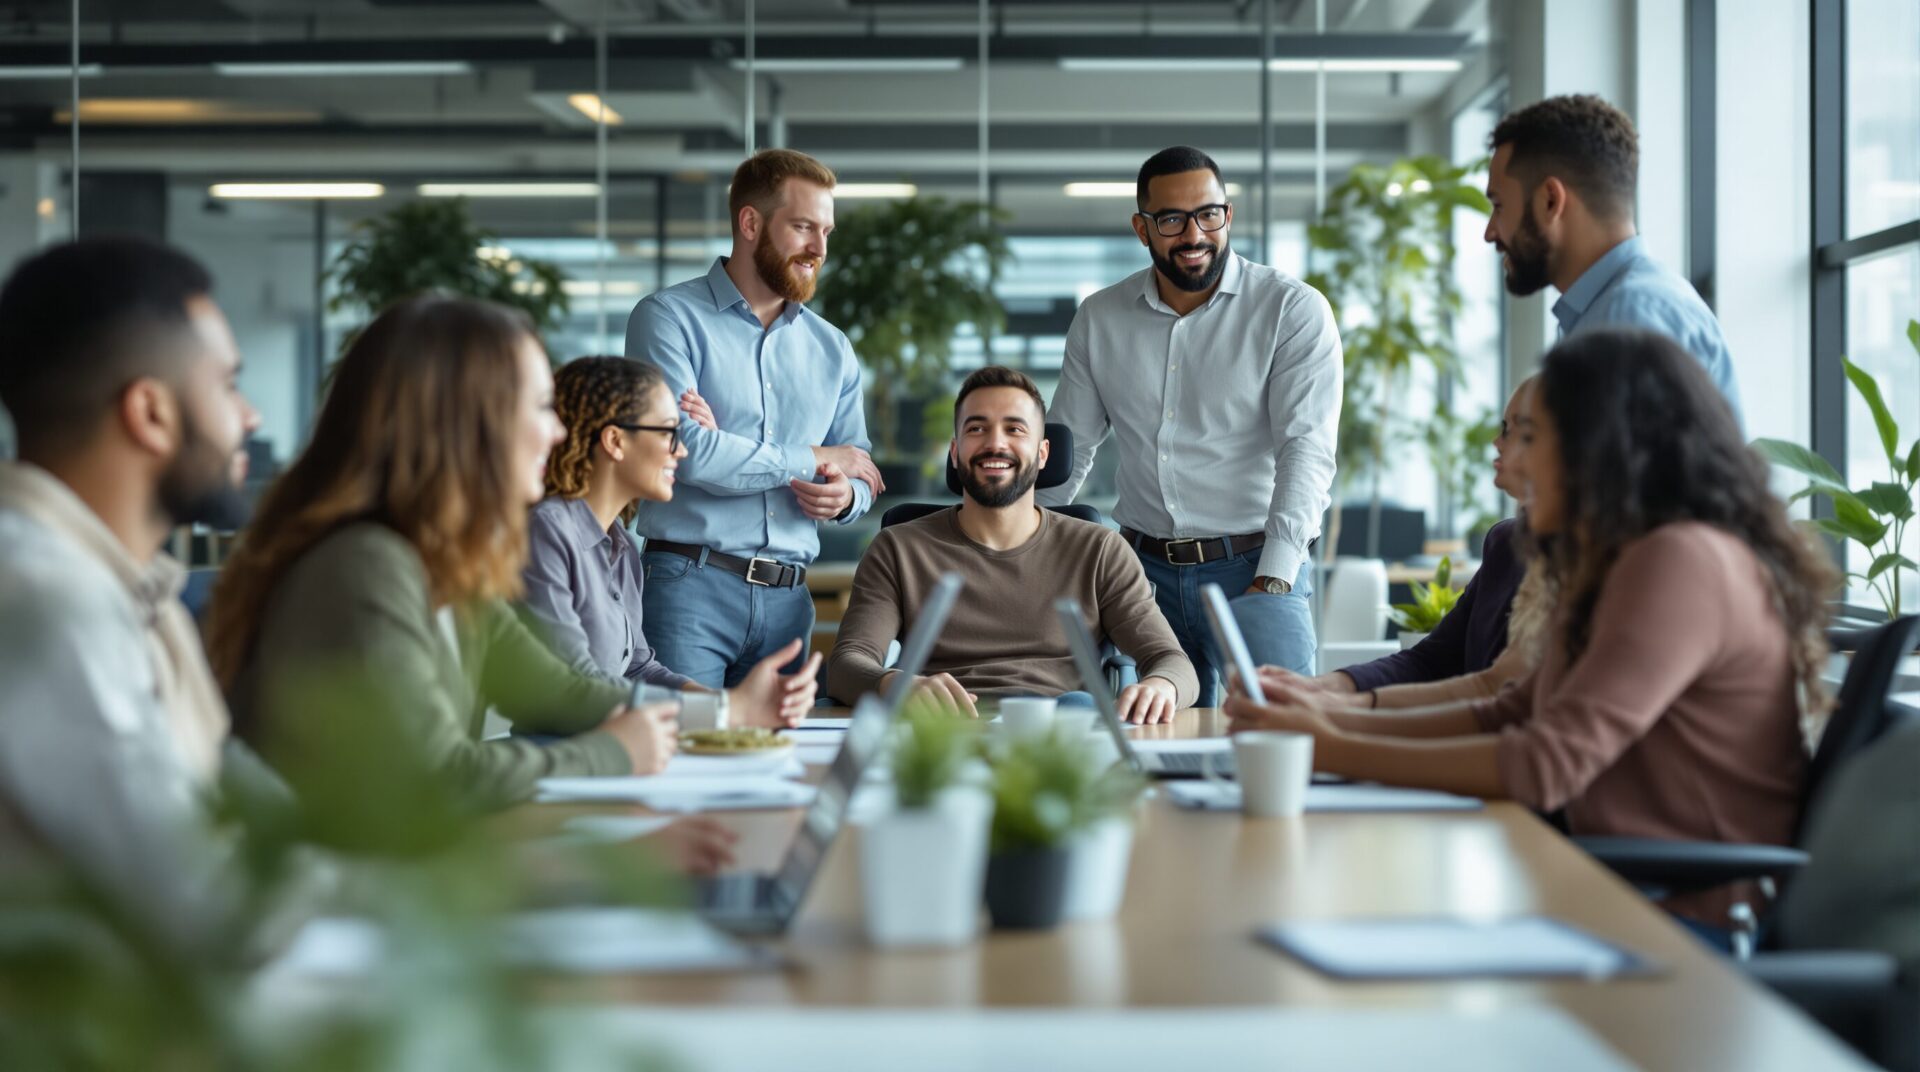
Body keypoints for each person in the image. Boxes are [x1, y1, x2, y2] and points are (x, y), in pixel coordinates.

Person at [1225, 330, 1833, 940]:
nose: (1515, 461)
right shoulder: (1611, 558)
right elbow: (1511, 710)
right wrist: (1327, 719)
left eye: (1534, 439)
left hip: (1684, 921)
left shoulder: (1681, 561)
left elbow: (1546, 764)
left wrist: (1327, 748)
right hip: (1603, 885)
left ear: (1603, 448)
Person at [209, 297, 689, 813]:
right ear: (465, 421)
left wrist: (720, 715)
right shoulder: (367, 564)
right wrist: (615, 752)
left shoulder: (443, 561)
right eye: (539, 407)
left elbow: (556, 690)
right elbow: (439, 778)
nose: (557, 432)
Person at [0, 237, 304, 960]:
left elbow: (257, 807)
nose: (251, 418)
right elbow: (204, 900)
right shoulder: (43, 597)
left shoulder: (140, 594)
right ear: (151, 413)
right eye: (228, 385)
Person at [1040, 145, 1342, 699]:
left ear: (1229, 214)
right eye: (1172, 220)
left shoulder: (1290, 309)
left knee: (1280, 728)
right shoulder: (1100, 318)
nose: (1194, 234)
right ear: (1142, 228)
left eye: (1209, 214)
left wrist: (1274, 577)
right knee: (1143, 731)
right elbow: (1070, 450)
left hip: (1256, 564)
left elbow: (1306, 450)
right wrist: (1019, 548)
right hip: (1140, 575)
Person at [626, 148, 878, 689]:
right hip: (688, 586)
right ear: (750, 223)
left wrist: (844, 497)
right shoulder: (668, 319)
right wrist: (813, 457)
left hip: (790, 600)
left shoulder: (832, 348)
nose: (819, 249)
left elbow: (859, 466)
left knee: (777, 745)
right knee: (687, 740)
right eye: (803, 227)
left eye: (826, 231)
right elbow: (686, 453)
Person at [827, 366, 1198, 722]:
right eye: (977, 429)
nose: (995, 443)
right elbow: (847, 664)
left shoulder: (1100, 550)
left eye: (1014, 429)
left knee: (1079, 707)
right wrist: (895, 684)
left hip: (1061, 734)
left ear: (1043, 453)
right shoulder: (898, 548)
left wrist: (1161, 686)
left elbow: (1172, 662)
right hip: (944, 733)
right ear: (955, 452)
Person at [521, 355, 820, 727]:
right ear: (615, 441)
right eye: (668, 433)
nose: (681, 450)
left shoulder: (622, 545)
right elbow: (576, 687)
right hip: (559, 757)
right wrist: (726, 711)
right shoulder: (546, 532)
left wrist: (733, 703)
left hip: (613, 749)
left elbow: (638, 668)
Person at [1270, 379, 1549, 709]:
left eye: (1517, 431)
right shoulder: (1504, 544)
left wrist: (1338, 712)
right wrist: (1322, 687)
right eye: (1504, 428)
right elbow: (1431, 661)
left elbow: (1497, 704)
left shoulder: (1589, 569)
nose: (1498, 442)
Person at [1484, 94, 1742, 420]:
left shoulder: (1629, 317)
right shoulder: (1618, 310)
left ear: (1550, 201)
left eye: (1498, 206)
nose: (1490, 232)